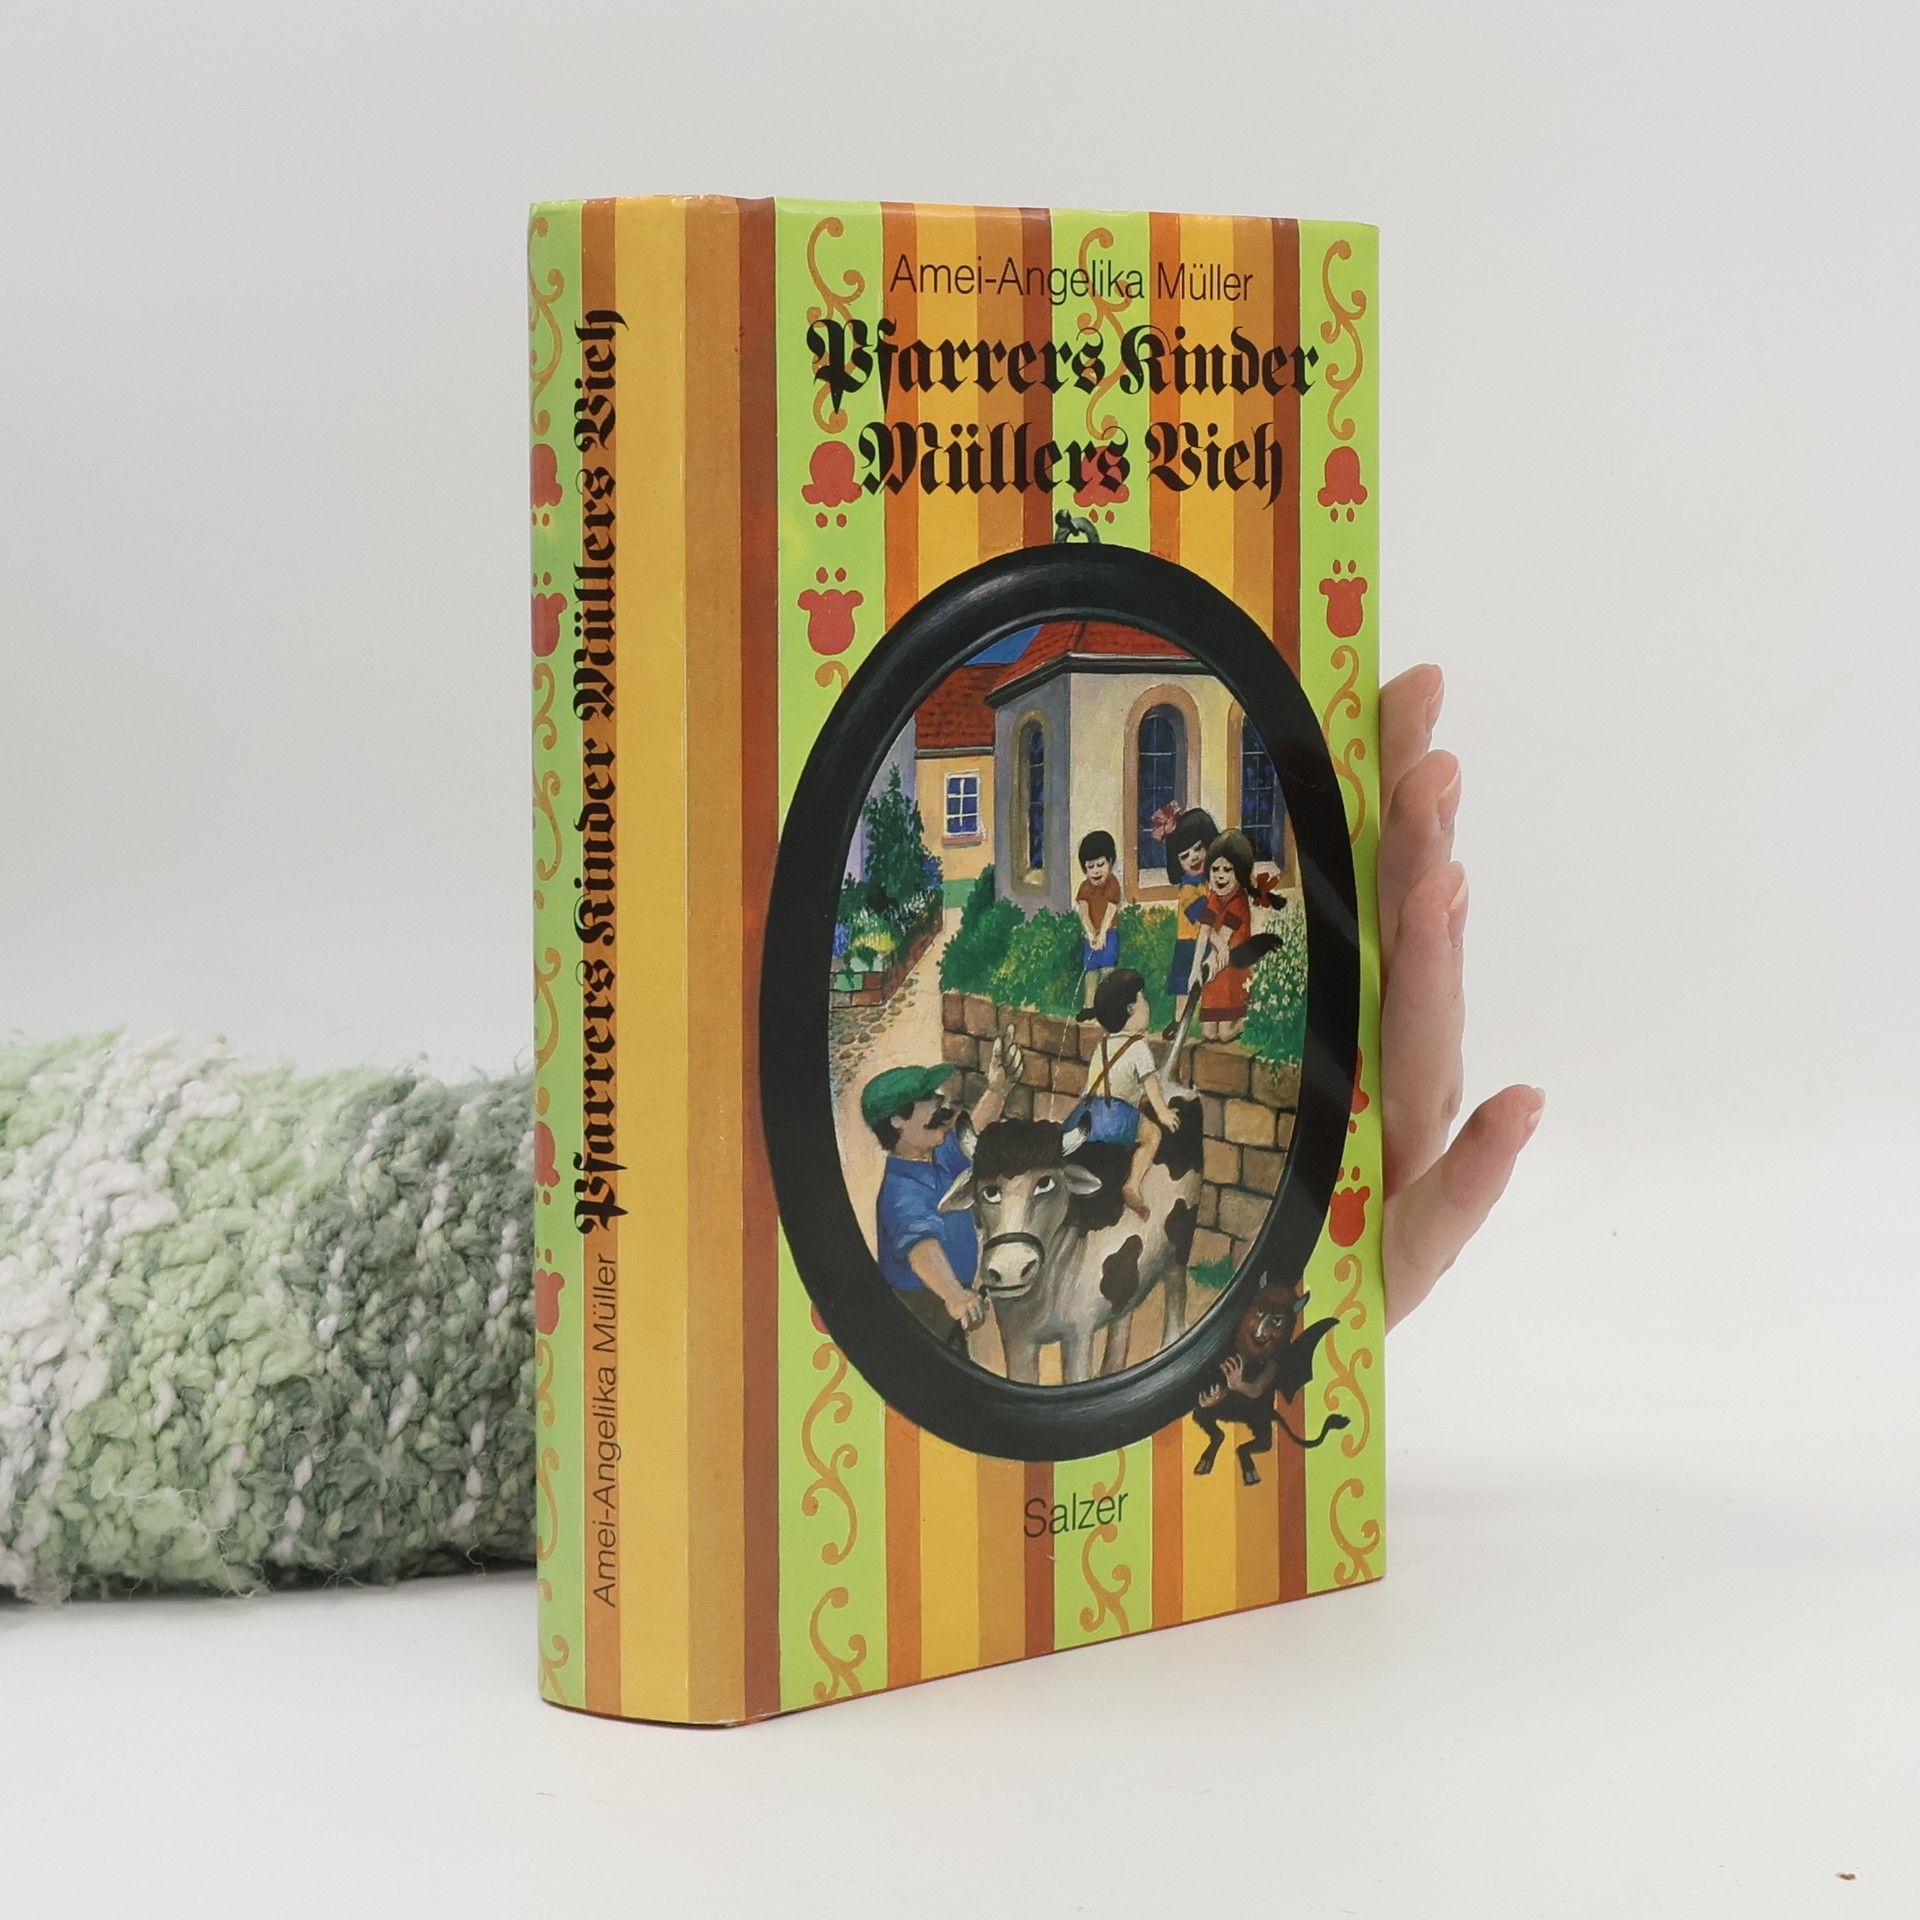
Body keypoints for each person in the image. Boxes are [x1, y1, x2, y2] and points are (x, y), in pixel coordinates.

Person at [860, 1028, 1020, 1344]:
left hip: (951, 1308)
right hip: (922, 1311)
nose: (940, 1103)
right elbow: (923, 1250)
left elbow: (974, 1129)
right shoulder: (901, 1190)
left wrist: (998, 1089)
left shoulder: (938, 1158)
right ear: (897, 1120)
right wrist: (954, 1295)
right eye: (928, 1099)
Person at [1079, 968, 1188, 1218]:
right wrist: (1163, 1112)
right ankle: (1132, 1185)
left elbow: (1103, 1083)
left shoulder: (1103, 1044)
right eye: (1142, 998)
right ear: (1130, 1009)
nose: (1147, 1005)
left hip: (1086, 1112)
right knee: (1152, 1136)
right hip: (1114, 1115)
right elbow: (1150, 1083)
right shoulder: (1138, 1046)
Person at [1194, 828, 1287, 1041]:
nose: (1220, 875)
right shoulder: (1214, 896)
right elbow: (1205, 931)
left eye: (1227, 870)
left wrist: (1215, 953)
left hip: (1232, 969)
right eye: (1215, 869)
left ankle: (1249, 1018)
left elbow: (1223, 939)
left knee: (1225, 1034)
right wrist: (1195, 970)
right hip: (1216, 969)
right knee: (1208, 1033)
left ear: (1240, 873)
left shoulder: (1238, 900)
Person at [1154, 804, 1219, 1033]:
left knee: (1211, 981)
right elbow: (1202, 917)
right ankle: (1179, 1019)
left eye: (1198, 848)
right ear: (1177, 862)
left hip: (1209, 940)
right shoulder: (1189, 890)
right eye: (1185, 856)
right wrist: (1219, 941)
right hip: (1189, 941)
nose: (1193, 858)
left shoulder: (1213, 881)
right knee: (1183, 982)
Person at [1074, 829, 1123, 1018]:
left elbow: (1111, 910)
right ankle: (1089, 1006)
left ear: (1110, 862)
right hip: (1091, 936)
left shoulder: (1112, 884)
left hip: (1109, 934)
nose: (1095, 871)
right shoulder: (1085, 887)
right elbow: (1083, 912)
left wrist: (1102, 934)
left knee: (1108, 970)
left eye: (1100, 864)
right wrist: (1090, 934)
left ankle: (1108, 1005)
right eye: (1090, 866)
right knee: (1091, 971)